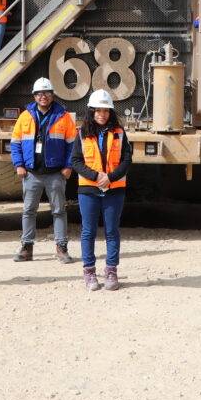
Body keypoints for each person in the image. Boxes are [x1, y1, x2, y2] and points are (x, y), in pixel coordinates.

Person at [11, 77, 78, 263]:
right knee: (28, 211)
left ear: (52, 95)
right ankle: (27, 247)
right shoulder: (25, 116)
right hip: (31, 172)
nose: (43, 97)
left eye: (47, 93)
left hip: (55, 173)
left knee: (59, 211)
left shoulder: (63, 116)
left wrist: (68, 166)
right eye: (39, 93)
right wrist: (19, 165)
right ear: (34, 96)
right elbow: (15, 143)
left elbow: (73, 145)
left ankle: (61, 247)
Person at [71, 89, 131, 291]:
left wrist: (110, 178)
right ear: (91, 112)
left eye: (105, 111)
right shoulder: (82, 134)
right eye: (97, 111)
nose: (101, 114)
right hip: (88, 189)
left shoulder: (120, 134)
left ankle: (111, 271)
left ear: (111, 112)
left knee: (112, 231)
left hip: (114, 189)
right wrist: (96, 177)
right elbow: (76, 161)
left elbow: (126, 160)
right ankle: (89, 272)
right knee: (88, 232)